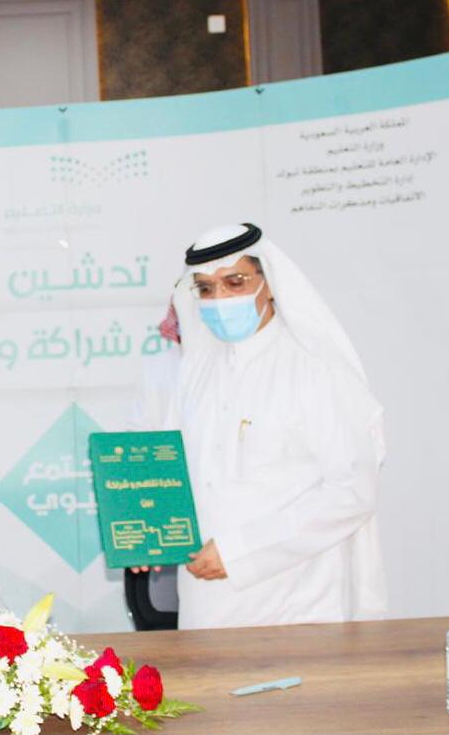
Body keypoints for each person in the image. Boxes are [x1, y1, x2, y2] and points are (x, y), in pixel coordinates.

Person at [134, 223, 388, 629]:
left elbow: (352, 492)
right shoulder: (196, 369)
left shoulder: (314, 369)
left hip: (297, 599)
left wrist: (239, 552)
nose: (220, 298)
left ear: (268, 283)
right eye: (206, 289)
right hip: (206, 601)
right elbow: (168, 466)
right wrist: (147, 532)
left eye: (235, 282)